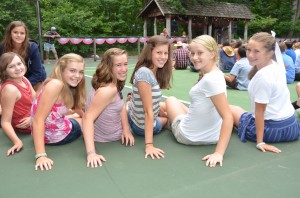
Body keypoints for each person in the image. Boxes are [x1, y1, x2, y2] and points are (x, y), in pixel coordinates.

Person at [165, 35, 233, 168]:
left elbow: (228, 117)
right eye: (192, 53)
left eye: (200, 53)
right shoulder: (218, 73)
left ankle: (164, 119)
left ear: (212, 54)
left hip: (189, 136)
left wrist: (219, 153)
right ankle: (164, 116)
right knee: (175, 107)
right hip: (213, 136)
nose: (194, 57)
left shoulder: (209, 80)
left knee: (170, 100)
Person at [230, 32, 300, 154]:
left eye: (256, 51)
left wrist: (260, 142)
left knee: (230, 109)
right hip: (292, 127)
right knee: (239, 111)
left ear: (270, 53)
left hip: (272, 131)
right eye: (248, 50)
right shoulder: (277, 65)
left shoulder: (263, 76)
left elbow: (260, 111)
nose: (250, 55)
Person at [31, 53, 86, 171]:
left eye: (81, 72)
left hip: (40, 133)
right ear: (61, 70)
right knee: (83, 121)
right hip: (55, 136)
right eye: (72, 70)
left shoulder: (51, 81)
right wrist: (41, 155)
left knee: (77, 116)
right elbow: (38, 119)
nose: (77, 76)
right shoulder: (56, 85)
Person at [83, 48, 134, 168]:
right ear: (109, 66)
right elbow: (87, 118)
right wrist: (91, 153)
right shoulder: (108, 90)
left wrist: (126, 129)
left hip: (115, 128)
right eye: (118, 65)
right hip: (110, 137)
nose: (124, 69)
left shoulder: (105, 80)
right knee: (158, 117)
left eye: (125, 64)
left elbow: (121, 106)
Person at [127, 35, 172, 159]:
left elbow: (153, 104)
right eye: (159, 52)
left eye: (165, 53)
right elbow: (148, 112)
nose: (163, 57)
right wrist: (149, 145)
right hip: (141, 127)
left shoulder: (152, 70)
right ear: (150, 52)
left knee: (167, 106)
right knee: (169, 117)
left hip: (134, 115)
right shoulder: (145, 73)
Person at [0, 52, 36, 156]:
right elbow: (5, 122)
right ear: (4, 71)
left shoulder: (23, 79)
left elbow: (35, 100)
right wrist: (17, 141)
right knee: (72, 117)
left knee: (66, 109)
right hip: (27, 125)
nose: (17, 68)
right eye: (11, 66)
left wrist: (33, 116)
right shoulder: (10, 89)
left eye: (19, 64)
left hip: (33, 117)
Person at [0, 21, 47, 91]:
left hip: (33, 78)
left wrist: (21, 85)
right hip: (13, 77)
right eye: (15, 32)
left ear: (25, 35)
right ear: (10, 33)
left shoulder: (32, 47)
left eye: (22, 33)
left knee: (32, 99)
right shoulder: (2, 47)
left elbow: (37, 73)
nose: (19, 35)